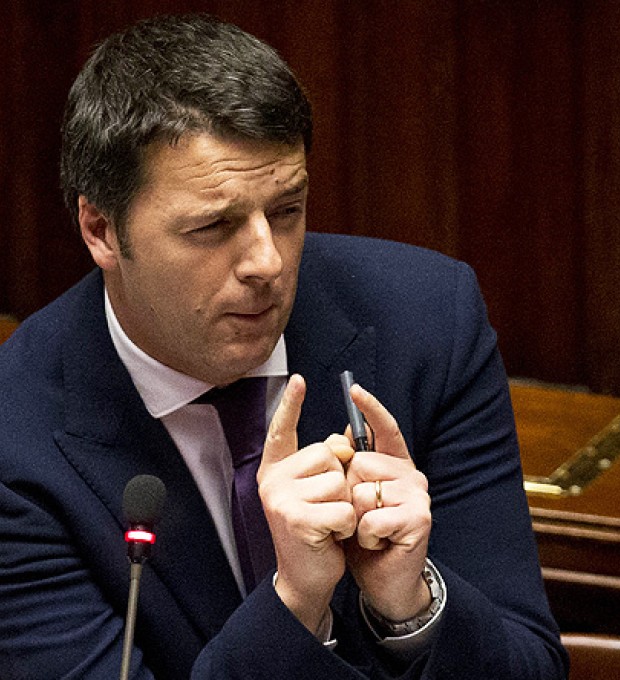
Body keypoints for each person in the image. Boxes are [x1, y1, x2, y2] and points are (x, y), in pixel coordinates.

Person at [0, 13, 568, 679]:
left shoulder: (428, 323)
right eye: (213, 226)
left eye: (287, 211)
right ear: (100, 229)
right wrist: (295, 604)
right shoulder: (17, 443)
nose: (267, 262)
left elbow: (532, 667)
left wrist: (410, 607)